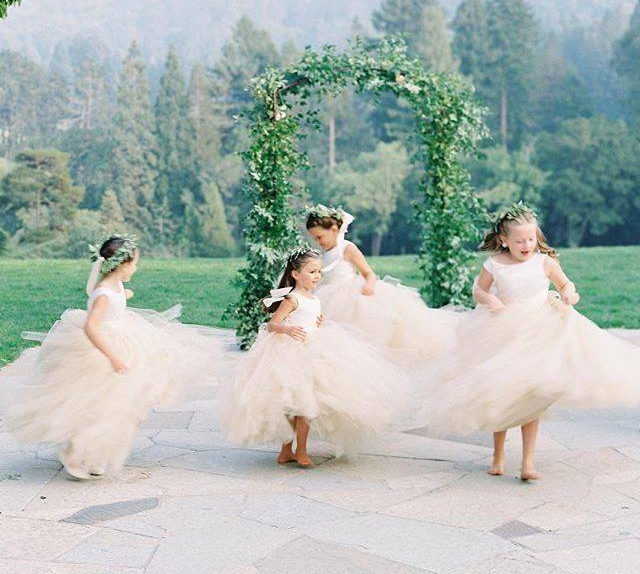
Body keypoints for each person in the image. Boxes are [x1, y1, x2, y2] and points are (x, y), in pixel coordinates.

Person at [413, 202, 640, 480]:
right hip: (502, 332)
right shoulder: (494, 264)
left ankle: (528, 463)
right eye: (519, 240)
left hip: (538, 333)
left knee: (530, 396)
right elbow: (479, 291)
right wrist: (489, 299)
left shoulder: (544, 262)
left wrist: (569, 294)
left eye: (531, 239)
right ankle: (498, 456)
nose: (526, 245)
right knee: (502, 395)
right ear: (503, 241)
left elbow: (566, 285)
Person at [2, 235, 221, 479]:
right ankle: (76, 450)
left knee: (115, 401)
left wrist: (124, 294)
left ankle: (94, 450)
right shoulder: (104, 292)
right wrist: (113, 356)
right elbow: (91, 326)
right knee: (94, 402)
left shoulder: (112, 287)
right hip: (99, 349)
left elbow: (111, 302)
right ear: (123, 264)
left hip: (122, 338)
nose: (136, 268)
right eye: (134, 263)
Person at [218, 247, 405, 466]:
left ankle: (301, 449)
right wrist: (287, 330)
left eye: (318, 272)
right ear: (296, 274)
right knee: (294, 404)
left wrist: (318, 322)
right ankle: (288, 450)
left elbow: (311, 318)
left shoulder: (314, 298)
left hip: (313, 351)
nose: (317, 276)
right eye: (311, 272)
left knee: (305, 405)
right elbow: (272, 324)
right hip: (290, 354)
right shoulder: (292, 298)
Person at [306, 204, 459, 363]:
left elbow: (369, 273)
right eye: (314, 238)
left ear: (333, 229)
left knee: (359, 331)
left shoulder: (347, 248)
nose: (317, 241)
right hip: (328, 295)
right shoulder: (325, 253)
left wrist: (369, 285)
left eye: (319, 237)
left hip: (350, 294)